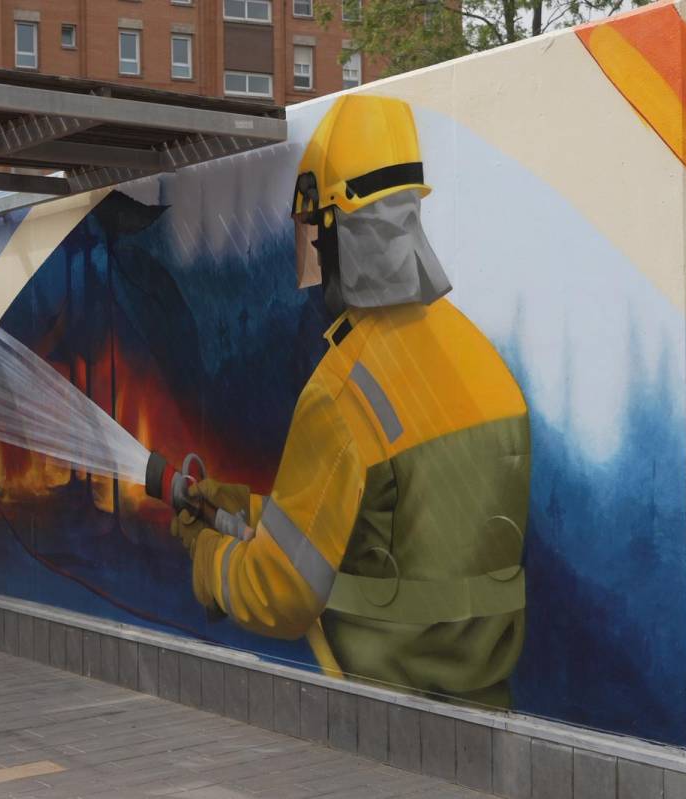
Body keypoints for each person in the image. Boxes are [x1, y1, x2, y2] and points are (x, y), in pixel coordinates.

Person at [170, 95, 531, 708]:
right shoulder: (484, 364)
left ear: (338, 231)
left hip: (384, 713)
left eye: (313, 229)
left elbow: (281, 591)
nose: (309, 252)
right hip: (488, 707)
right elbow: (384, 532)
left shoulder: (342, 391)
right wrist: (242, 508)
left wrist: (205, 555)